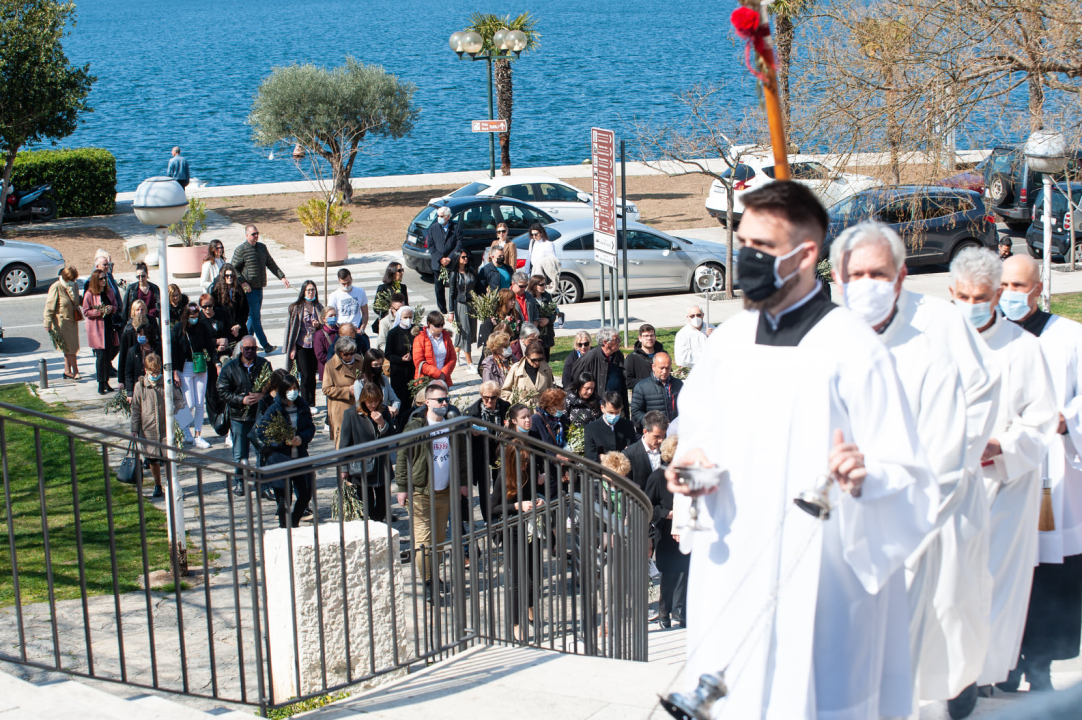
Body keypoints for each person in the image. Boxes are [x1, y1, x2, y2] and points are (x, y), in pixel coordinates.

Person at [667, 181, 937, 719]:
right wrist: (690, 467)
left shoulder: (853, 350)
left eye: (761, 248)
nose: (745, 258)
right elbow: (697, 431)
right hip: (732, 568)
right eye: (741, 242)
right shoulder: (729, 343)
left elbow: (908, 474)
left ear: (806, 254)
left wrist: (864, 477)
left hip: (820, 578)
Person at [830, 221, 975, 716]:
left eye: (878, 274)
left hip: (902, 551)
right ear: (834, 277)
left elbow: (944, 467)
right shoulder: (811, 351)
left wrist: (879, 485)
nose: (866, 285)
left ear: (900, 277)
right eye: (855, 274)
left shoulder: (931, 359)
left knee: (894, 687)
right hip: (823, 550)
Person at [948, 248, 1058, 699]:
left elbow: (1042, 422)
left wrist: (1002, 446)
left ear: (996, 294)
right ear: (952, 293)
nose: (973, 304)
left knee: (994, 583)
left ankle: (984, 676)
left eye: (982, 296)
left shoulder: (1024, 349)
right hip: (949, 484)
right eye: (964, 296)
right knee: (950, 584)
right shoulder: (938, 343)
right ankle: (949, 672)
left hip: (1004, 487)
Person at [999, 255, 1082, 692]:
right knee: (1007, 569)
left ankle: (1041, 665)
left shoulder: (1069, 337)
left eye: (1020, 286)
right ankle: (1004, 664)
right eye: (1006, 284)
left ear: (1037, 288)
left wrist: (1068, 419)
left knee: (1051, 574)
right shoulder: (988, 337)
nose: (1012, 293)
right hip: (1006, 472)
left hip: (1055, 474)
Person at [395, 383, 469, 603]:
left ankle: (432, 576)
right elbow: (402, 457)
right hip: (421, 492)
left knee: (436, 541)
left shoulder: (452, 425)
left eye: (446, 399)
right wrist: (402, 487)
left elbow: (462, 457)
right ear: (427, 402)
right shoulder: (416, 426)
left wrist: (462, 483)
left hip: (445, 492)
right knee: (423, 542)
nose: (444, 404)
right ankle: (428, 582)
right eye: (440, 400)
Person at [492, 402, 543, 639]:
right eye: (524, 461)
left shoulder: (529, 467)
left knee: (533, 575)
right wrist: (516, 505)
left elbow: (534, 488)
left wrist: (538, 500)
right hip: (511, 528)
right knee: (517, 580)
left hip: (530, 526)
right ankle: (515, 624)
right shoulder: (505, 476)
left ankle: (531, 611)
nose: (527, 463)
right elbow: (493, 508)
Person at [254, 375, 316, 528]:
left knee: (306, 492)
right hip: (280, 459)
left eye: (295, 388)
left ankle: (294, 521)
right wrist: (281, 441)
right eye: (289, 389)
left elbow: (310, 427)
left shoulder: (302, 406)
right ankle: (284, 528)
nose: (293, 392)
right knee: (284, 499)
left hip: (299, 457)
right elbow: (262, 432)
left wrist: (302, 438)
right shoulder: (274, 409)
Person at [645, 434, 689, 629]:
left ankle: (680, 611)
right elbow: (647, 506)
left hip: (685, 530)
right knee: (669, 574)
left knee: (685, 572)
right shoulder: (657, 477)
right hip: (666, 531)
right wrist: (666, 513)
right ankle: (664, 613)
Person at [217, 336, 270, 492]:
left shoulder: (264, 364)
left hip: (259, 415)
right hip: (238, 416)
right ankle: (240, 481)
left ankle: (263, 483)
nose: (250, 351)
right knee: (240, 453)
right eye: (246, 348)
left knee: (262, 450)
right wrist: (242, 400)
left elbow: (272, 385)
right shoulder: (230, 367)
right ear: (241, 349)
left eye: (253, 348)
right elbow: (222, 391)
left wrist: (261, 395)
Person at [339, 383, 397, 523]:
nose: (373, 404)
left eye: (376, 401)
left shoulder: (383, 412)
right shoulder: (351, 414)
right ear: (363, 400)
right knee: (366, 502)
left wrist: (382, 424)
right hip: (361, 465)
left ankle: (378, 522)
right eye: (370, 401)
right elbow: (345, 443)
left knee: (383, 501)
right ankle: (372, 526)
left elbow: (392, 437)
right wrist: (344, 468)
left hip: (381, 464)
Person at [131, 354, 186, 499]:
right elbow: (136, 408)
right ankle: (157, 484)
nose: (155, 375)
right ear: (146, 371)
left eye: (157, 372)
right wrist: (134, 429)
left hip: (165, 428)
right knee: (153, 459)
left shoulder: (166, 383)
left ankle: (170, 483)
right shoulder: (140, 386)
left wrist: (173, 412)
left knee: (168, 458)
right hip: (148, 429)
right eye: (152, 372)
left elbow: (180, 400)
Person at [232, 224, 290, 353]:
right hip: (249, 290)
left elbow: (271, 263)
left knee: (253, 318)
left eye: (257, 233)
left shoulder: (262, 248)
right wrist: (243, 283)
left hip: (259, 288)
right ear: (247, 235)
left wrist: (282, 277)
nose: (256, 236)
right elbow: (233, 268)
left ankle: (246, 342)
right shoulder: (241, 250)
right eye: (253, 234)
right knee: (256, 317)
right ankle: (265, 345)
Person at [464, 380, 511, 523]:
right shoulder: (472, 412)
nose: (489, 401)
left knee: (501, 484)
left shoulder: (505, 407)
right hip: (481, 453)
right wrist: (472, 433)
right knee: (484, 488)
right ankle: (488, 518)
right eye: (486, 397)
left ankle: (501, 513)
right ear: (481, 396)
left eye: (493, 397)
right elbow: (462, 433)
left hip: (499, 452)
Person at [172, 302, 213, 449]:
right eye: (191, 317)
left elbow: (209, 346)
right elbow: (174, 350)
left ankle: (198, 435)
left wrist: (215, 362)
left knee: (200, 403)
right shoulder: (178, 329)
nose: (194, 319)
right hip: (185, 367)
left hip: (200, 366)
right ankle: (183, 427)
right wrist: (175, 371)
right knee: (189, 403)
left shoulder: (202, 327)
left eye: (196, 316)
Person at [285, 280, 324, 407]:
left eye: (313, 290)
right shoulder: (296, 308)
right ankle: (305, 402)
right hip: (301, 345)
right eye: (309, 290)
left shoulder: (318, 307)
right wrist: (291, 348)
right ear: (303, 292)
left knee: (312, 375)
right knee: (305, 375)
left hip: (315, 346)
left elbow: (324, 325)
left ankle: (312, 403)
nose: (311, 292)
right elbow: (290, 329)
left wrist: (319, 325)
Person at [82, 268, 119, 395]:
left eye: (105, 278)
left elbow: (115, 305)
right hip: (97, 329)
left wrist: (111, 309)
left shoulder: (109, 292)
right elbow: (86, 311)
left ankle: (106, 382)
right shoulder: (89, 294)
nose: (104, 281)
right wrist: (100, 311)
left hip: (108, 327)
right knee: (101, 357)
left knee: (108, 355)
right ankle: (100, 383)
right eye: (101, 279)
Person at [576, 327, 627, 416]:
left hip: (616, 405)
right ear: (605, 342)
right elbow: (576, 383)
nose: (619, 341)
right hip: (597, 408)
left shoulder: (618, 355)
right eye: (616, 339)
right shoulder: (589, 359)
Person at [43, 266, 82, 379]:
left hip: (72, 322)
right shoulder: (56, 287)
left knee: (69, 348)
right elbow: (49, 307)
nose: (73, 281)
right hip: (62, 324)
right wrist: (47, 323)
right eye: (71, 279)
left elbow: (77, 300)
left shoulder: (73, 285)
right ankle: (75, 372)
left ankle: (67, 370)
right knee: (71, 349)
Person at [322, 337, 362, 446]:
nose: (349, 356)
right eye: (346, 354)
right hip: (341, 408)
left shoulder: (360, 360)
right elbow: (326, 388)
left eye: (351, 353)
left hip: (359, 405)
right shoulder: (330, 365)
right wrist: (347, 391)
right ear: (339, 353)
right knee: (342, 440)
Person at [425, 206, 463, 314]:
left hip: (451, 263)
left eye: (441, 216)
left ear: (447, 217)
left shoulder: (455, 227)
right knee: (439, 289)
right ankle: (442, 310)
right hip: (438, 264)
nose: (439, 218)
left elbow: (459, 244)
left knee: (453, 288)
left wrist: (449, 258)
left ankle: (453, 309)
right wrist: (440, 259)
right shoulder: (433, 228)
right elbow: (431, 246)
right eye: (438, 216)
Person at [630, 352, 682, 429]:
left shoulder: (678, 385)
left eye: (667, 368)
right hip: (654, 432)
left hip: (674, 431)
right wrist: (653, 424)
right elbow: (636, 412)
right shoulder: (641, 387)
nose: (664, 371)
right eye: (661, 368)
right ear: (653, 367)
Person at [447, 250, 479, 373]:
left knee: (469, 332)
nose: (466, 259)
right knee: (465, 331)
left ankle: (455, 354)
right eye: (463, 257)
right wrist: (451, 312)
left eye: (466, 257)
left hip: (472, 303)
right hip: (461, 304)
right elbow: (451, 294)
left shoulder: (471, 271)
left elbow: (475, 287)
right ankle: (470, 364)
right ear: (458, 259)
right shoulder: (454, 274)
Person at [118, 300, 159, 391]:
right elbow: (122, 358)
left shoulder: (151, 332)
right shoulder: (127, 334)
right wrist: (121, 380)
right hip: (135, 370)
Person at [386, 306, 418, 423]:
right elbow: (388, 354)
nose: (408, 319)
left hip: (412, 371)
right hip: (398, 372)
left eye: (410, 317)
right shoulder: (393, 333)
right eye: (405, 317)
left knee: (411, 399)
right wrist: (401, 359)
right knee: (399, 399)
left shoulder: (416, 330)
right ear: (400, 317)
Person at [583, 391, 636, 463]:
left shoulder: (628, 425)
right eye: (611, 412)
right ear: (602, 408)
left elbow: (634, 452)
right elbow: (591, 458)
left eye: (617, 412)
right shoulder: (591, 429)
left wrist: (605, 457)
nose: (614, 416)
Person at [622, 410, 668, 492]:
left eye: (663, 436)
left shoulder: (668, 451)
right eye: (656, 436)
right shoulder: (629, 454)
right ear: (645, 432)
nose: (661, 440)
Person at [328, 268, 371, 353]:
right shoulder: (334, 295)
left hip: (357, 329)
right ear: (339, 281)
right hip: (342, 331)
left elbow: (365, 314)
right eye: (343, 284)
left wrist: (361, 329)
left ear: (351, 279)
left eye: (348, 283)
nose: (346, 286)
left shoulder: (360, 292)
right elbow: (330, 315)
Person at [94, 253, 123, 373]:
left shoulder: (109, 276)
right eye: (105, 264)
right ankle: (104, 370)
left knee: (117, 344)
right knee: (104, 350)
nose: (108, 267)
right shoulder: (92, 281)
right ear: (97, 266)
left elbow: (115, 294)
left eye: (109, 264)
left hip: (115, 317)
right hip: (102, 321)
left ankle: (108, 365)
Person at [413, 311, 457, 388]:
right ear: (429, 324)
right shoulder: (420, 338)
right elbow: (418, 361)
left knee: (442, 400)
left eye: (442, 324)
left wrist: (444, 374)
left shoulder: (446, 337)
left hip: (443, 379)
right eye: (437, 325)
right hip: (426, 380)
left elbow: (452, 358)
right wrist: (437, 374)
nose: (440, 327)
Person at [211, 263, 248, 353]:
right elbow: (215, 311)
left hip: (238, 329)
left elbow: (245, 310)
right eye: (227, 276)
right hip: (224, 329)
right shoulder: (216, 291)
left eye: (231, 275)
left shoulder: (238, 290)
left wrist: (238, 326)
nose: (229, 278)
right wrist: (229, 328)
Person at [361, 348, 401, 421]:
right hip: (368, 421)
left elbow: (395, 400)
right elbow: (360, 407)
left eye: (380, 364)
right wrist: (386, 408)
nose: (378, 367)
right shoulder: (360, 383)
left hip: (385, 419)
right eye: (375, 365)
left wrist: (394, 409)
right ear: (368, 365)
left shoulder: (384, 379)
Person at [624, 324, 663, 392]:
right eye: (646, 336)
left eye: (651, 335)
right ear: (640, 338)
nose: (649, 338)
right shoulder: (632, 358)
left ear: (655, 337)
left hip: (661, 396)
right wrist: (649, 382)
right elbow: (628, 381)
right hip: (642, 397)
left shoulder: (662, 355)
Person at [527, 275, 556, 361]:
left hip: (546, 333)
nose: (544, 286)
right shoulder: (528, 298)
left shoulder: (547, 296)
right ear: (534, 286)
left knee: (546, 358)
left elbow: (553, 312)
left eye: (545, 284)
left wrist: (548, 320)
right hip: (534, 332)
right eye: (541, 284)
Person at [314, 307, 339, 384]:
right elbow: (320, 355)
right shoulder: (319, 334)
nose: (333, 317)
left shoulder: (340, 330)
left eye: (335, 315)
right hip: (327, 369)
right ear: (324, 319)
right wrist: (336, 360)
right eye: (330, 316)